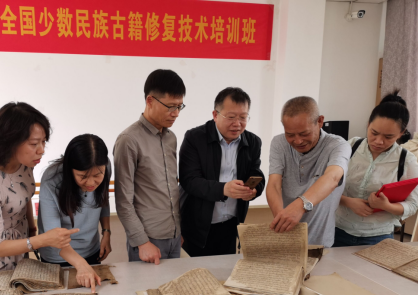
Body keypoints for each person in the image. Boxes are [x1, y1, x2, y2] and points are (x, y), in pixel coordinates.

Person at [0, 102, 77, 274]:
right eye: (34, 144)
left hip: (21, 246)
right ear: (10, 141)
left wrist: (32, 229)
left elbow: (23, 197)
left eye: (43, 142)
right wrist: (42, 240)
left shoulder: (23, 164)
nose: (41, 150)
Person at [179, 87, 265, 257]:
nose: (237, 123)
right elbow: (189, 180)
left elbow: (256, 173)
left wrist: (254, 190)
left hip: (231, 226)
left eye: (243, 117)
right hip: (197, 228)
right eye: (231, 117)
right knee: (195, 272)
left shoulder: (253, 142)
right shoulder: (195, 138)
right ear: (215, 114)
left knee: (226, 271)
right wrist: (223, 189)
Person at [114, 69, 186, 264]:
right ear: (150, 100)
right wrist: (142, 242)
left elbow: (171, 188)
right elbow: (123, 201)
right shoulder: (129, 140)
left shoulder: (171, 138)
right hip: (148, 240)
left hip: (174, 236)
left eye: (180, 106)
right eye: (171, 106)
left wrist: (177, 231)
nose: (176, 113)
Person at [334, 91, 418, 247]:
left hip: (378, 237)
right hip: (337, 230)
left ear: (401, 133)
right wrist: (348, 202)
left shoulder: (407, 161)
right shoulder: (350, 146)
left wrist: (386, 206)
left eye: (388, 137)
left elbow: (412, 205)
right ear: (368, 124)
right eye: (374, 133)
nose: (379, 141)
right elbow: (326, 186)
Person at [266, 96, 350, 247]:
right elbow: (274, 185)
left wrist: (300, 206)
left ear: (320, 121)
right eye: (290, 135)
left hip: (320, 243)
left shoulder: (338, 145)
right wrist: (282, 219)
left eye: (304, 134)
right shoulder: (279, 143)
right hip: (287, 241)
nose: (298, 141)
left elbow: (332, 177)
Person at [38, 134, 112, 292]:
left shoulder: (104, 166)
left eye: (97, 176)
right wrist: (80, 264)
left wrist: (106, 232)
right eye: (83, 176)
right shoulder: (51, 180)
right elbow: (53, 236)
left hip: (91, 250)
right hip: (57, 256)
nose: (91, 183)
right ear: (69, 169)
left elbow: (103, 198)